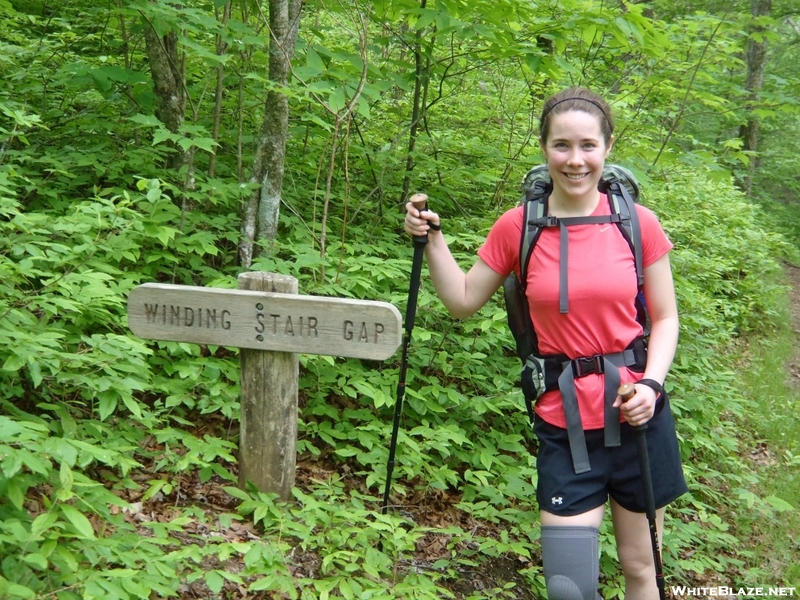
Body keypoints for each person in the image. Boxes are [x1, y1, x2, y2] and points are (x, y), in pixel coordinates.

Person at [403, 86, 687, 600]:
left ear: (607, 146)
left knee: (642, 571)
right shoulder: (520, 226)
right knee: (567, 586)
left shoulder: (637, 223)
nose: (575, 160)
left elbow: (665, 319)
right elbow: (464, 300)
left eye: (587, 145)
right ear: (543, 147)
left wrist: (652, 385)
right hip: (565, 425)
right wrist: (434, 240)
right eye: (561, 145)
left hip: (637, 418)